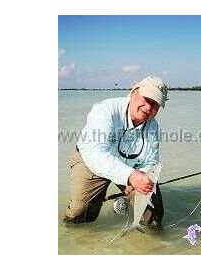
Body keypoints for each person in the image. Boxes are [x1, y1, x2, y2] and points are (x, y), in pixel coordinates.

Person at [63, 75, 168, 228]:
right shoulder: (105, 110)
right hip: (91, 161)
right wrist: (129, 175)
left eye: (156, 104)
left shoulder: (153, 126)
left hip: (132, 167)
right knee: (80, 216)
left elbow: (151, 161)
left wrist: (144, 178)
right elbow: (95, 152)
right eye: (147, 100)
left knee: (153, 217)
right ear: (133, 93)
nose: (149, 108)